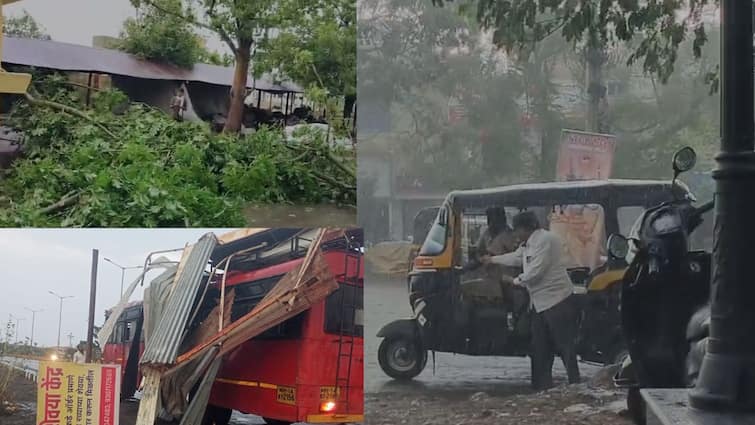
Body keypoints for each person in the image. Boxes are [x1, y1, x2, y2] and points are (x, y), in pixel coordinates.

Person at [481, 211, 581, 390]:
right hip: (539, 303)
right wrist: (493, 260)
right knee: (539, 348)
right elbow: (517, 257)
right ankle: (541, 387)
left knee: (564, 345)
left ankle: (576, 385)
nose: (515, 235)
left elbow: (535, 273)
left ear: (524, 228)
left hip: (557, 301)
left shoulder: (546, 240)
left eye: (516, 230)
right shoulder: (528, 244)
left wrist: (512, 281)